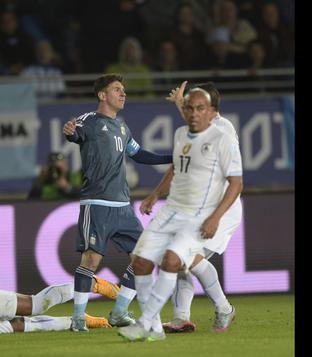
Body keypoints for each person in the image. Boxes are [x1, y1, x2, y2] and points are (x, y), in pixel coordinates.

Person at [117, 87, 242, 342]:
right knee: (181, 262)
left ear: (212, 110)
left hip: (219, 208)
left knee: (188, 258)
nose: (190, 110)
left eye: (197, 106)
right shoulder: (188, 133)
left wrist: (216, 217)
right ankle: (181, 317)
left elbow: (234, 180)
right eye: (189, 106)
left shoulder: (223, 130)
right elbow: (178, 166)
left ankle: (224, 307)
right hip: (193, 208)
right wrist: (155, 194)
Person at [62, 74, 173, 331]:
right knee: (90, 261)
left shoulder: (122, 128)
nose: (123, 94)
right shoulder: (88, 121)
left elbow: (141, 155)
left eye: (123, 90)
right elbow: (73, 133)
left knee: (144, 258)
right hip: (97, 203)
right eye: (117, 90)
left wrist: (172, 156)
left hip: (123, 207)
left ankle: (120, 311)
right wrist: (69, 133)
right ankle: (78, 318)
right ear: (102, 95)